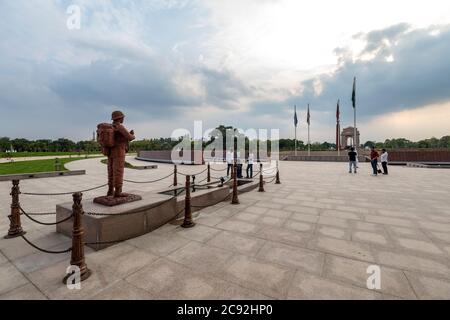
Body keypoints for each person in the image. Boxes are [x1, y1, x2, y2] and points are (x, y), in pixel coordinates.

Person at [107, 111, 135, 197]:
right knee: (118, 170)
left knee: (111, 170)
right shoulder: (119, 126)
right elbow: (130, 137)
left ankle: (110, 190)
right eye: (122, 117)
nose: (123, 119)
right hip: (119, 151)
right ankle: (118, 192)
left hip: (110, 152)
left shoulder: (110, 127)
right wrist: (132, 134)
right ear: (119, 118)